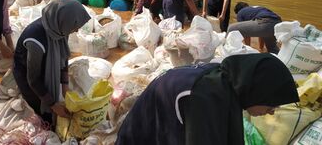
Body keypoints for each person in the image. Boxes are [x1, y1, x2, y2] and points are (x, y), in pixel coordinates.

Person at [116, 53, 299, 145]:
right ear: (259, 91)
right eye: (271, 104)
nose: (272, 111)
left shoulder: (227, 82)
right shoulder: (205, 97)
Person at [13, 0, 90, 124]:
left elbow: (63, 56)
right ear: (64, 21)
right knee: (42, 110)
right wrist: (53, 105)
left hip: (44, 67)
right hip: (27, 74)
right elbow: (33, 79)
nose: (75, 31)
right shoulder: (36, 40)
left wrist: (65, 86)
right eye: (74, 27)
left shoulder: (59, 28)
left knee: (54, 101)